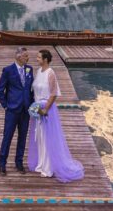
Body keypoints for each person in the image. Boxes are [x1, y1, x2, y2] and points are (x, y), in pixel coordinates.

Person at [27, 49, 84, 182]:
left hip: (47, 110)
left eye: (39, 57)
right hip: (37, 109)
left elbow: (53, 93)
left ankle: (48, 167)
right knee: (40, 138)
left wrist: (45, 108)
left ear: (45, 59)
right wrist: (35, 108)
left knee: (48, 138)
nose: (37, 59)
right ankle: (42, 164)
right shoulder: (38, 72)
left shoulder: (50, 73)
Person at [0, 47, 34, 175]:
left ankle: (19, 163)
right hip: (12, 110)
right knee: (7, 137)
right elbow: (0, 89)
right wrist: (5, 106)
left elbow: (31, 89)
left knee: (22, 137)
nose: (28, 58)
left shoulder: (30, 69)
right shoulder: (8, 70)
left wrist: (32, 104)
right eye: (26, 56)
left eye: (27, 56)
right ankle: (2, 164)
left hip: (25, 110)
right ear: (18, 57)